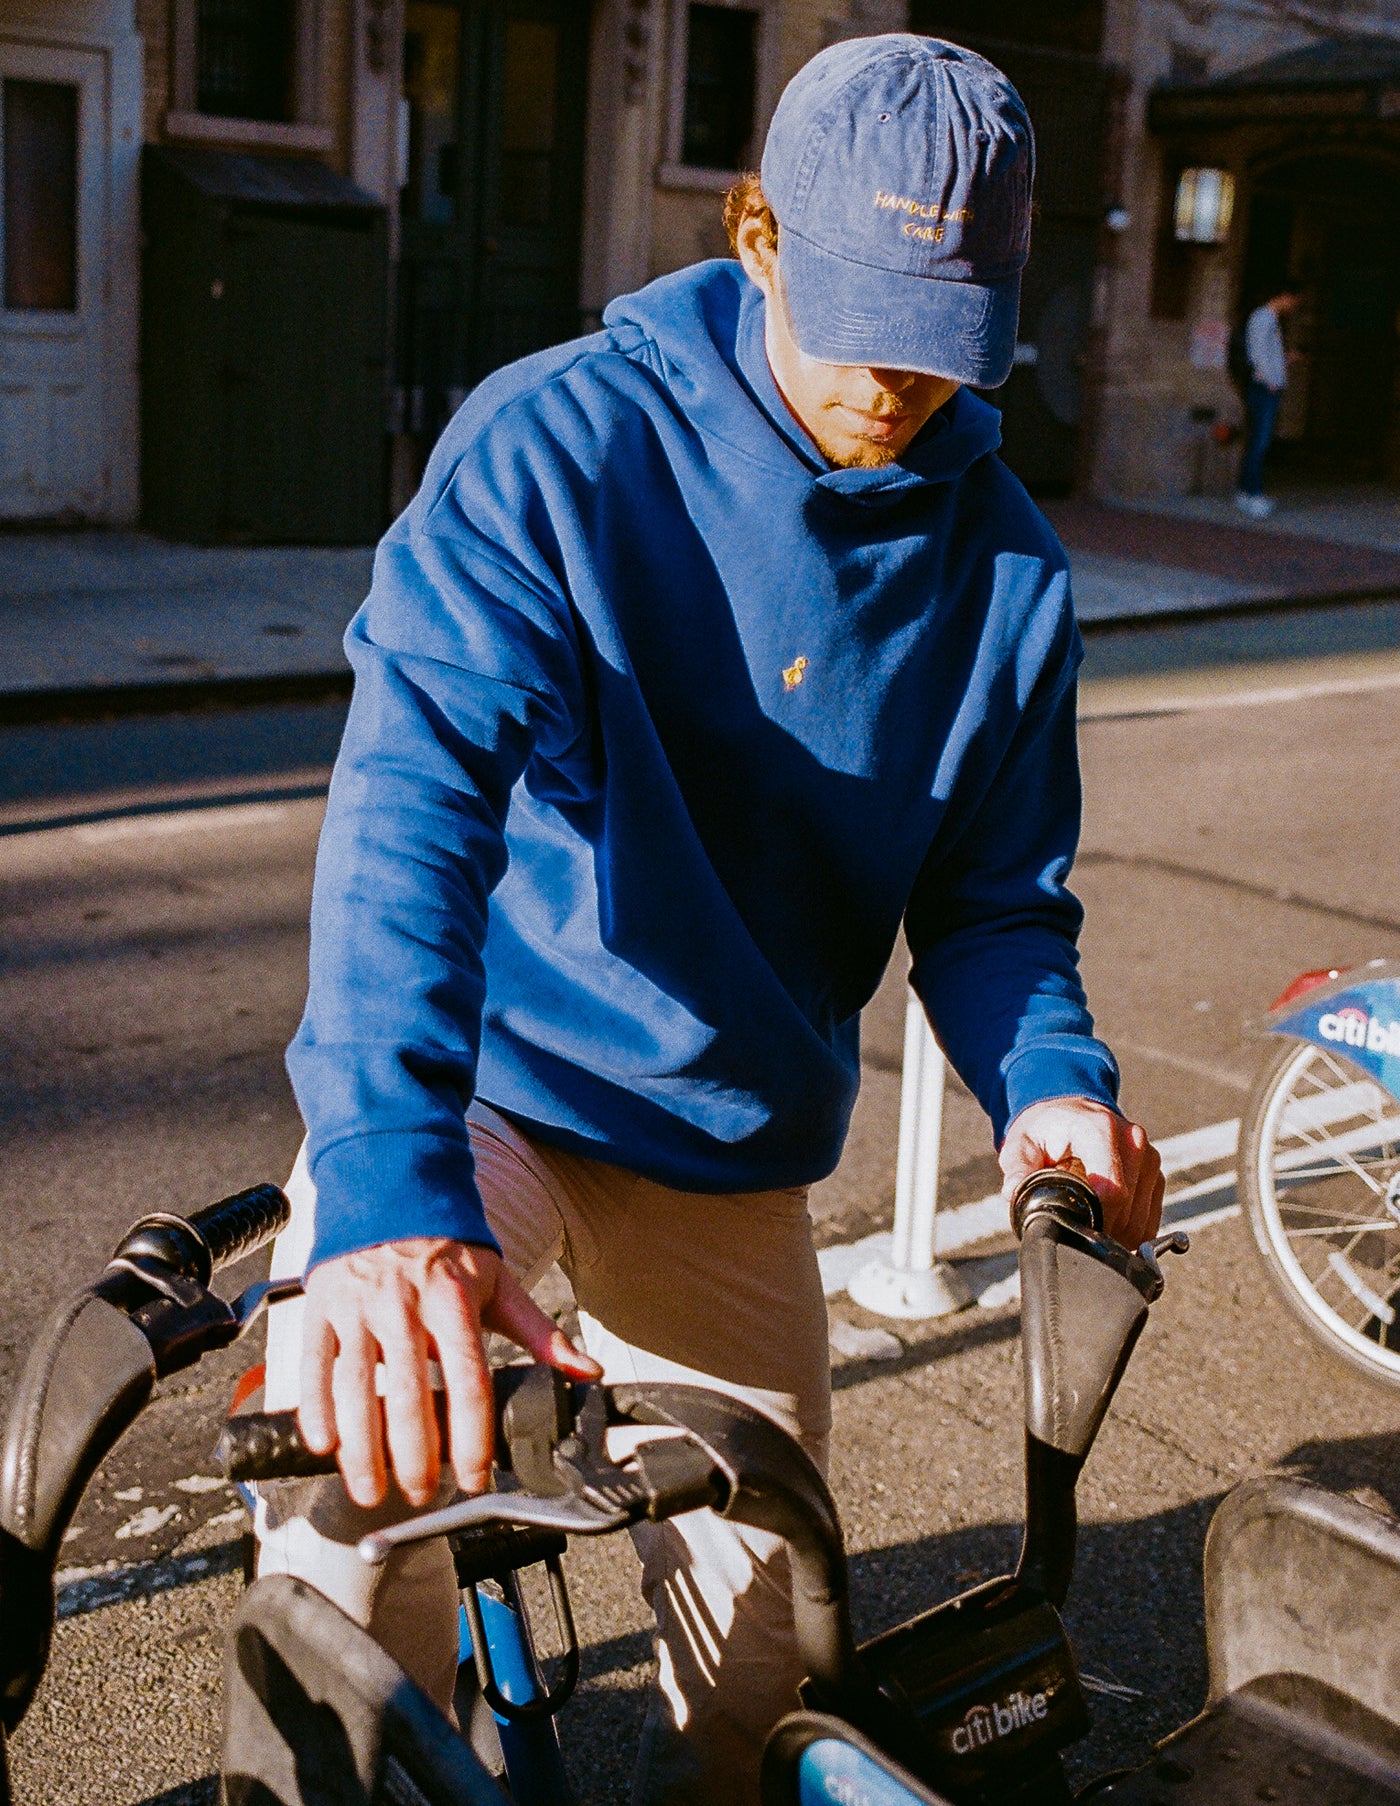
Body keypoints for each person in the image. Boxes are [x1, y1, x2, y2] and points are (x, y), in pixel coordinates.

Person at [252, 32, 1165, 1806]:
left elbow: (993, 901)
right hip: (491, 1097)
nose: (901, 377)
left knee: (768, 1671)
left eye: (948, 330)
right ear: (757, 236)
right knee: (349, 1509)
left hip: (736, 1145)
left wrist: (1048, 1075)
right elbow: (410, 805)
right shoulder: (556, 447)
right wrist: (383, 1184)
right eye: (865, 312)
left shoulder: (1011, 573)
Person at [1236, 282, 1303, 518]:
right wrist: (1269, 379)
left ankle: (1246, 492)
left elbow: (1265, 354)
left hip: (1267, 383)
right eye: (1293, 302)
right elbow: (1257, 352)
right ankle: (1252, 494)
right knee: (1260, 441)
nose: (1292, 307)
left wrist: (1284, 361)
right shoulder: (1264, 317)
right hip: (1265, 387)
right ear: (1284, 296)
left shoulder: (1269, 319)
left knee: (1259, 440)